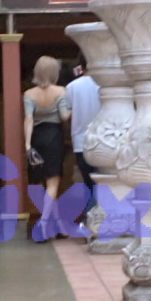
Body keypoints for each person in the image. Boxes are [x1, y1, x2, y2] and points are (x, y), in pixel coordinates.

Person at [23, 56, 71, 239]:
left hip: (37, 137)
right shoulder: (61, 91)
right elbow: (64, 116)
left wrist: (28, 144)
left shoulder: (29, 94)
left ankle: (59, 225)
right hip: (54, 137)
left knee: (44, 184)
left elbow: (29, 119)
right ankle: (43, 225)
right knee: (53, 183)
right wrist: (74, 109)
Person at [65, 54, 100, 226]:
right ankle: (90, 220)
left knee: (89, 183)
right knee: (100, 183)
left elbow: (67, 112)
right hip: (103, 139)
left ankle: (89, 220)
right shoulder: (104, 86)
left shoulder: (72, 87)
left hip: (80, 141)